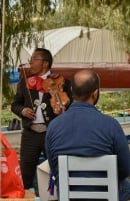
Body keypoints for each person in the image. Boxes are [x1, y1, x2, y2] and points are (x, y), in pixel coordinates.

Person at [45, 70, 130, 201]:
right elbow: (126, 169)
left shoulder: (53, 126)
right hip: (106, 193)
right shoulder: (111, 125)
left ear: (72, 90)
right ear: (95, 93)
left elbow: (54, 167)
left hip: (68, 194)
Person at [11, 48, 72, 190]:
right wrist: (23, 110)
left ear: (45, 63)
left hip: (51, 133)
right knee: (25, 173)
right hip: (30, 135)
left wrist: (62, 109)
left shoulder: (61, 82)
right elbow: (15, 105)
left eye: (33, 59)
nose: (30, 63)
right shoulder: (25, 82)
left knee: (58, 170)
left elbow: (71, 106)